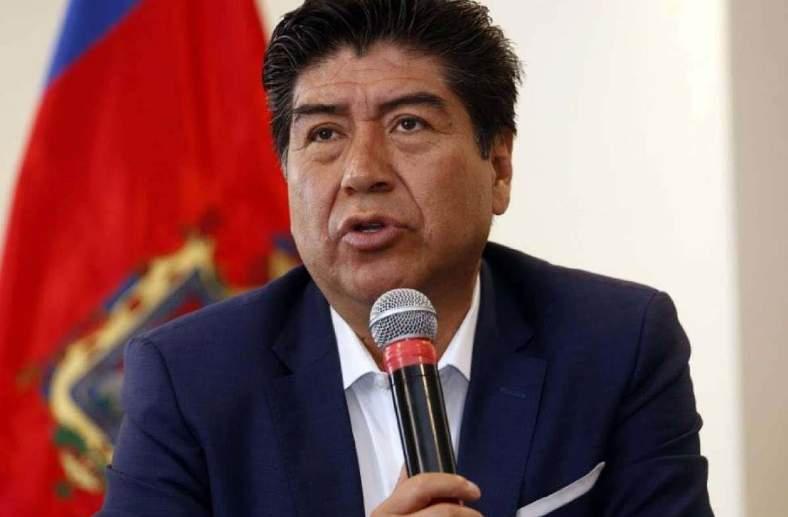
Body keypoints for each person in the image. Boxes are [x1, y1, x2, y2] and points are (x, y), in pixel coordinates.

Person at [99, 0, 713, 515]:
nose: (361, 172)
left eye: (409, 124)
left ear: (499, 168)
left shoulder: (617, 345)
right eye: (324, 134)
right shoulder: (190, 378)